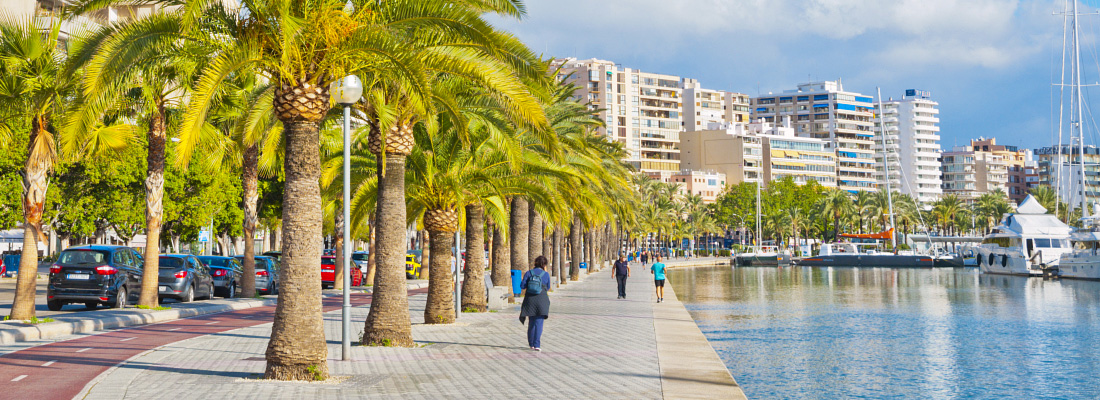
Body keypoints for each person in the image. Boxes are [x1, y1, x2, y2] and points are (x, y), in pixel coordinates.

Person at [519, 256, 552, 351]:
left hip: (530, 300)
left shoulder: (529, 273)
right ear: (544, 265)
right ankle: (537, 345)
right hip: (542, 300)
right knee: (539, 323)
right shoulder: (545, 274)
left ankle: (531, 344)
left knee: (531, 322)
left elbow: (522, 286)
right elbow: (548, 287)